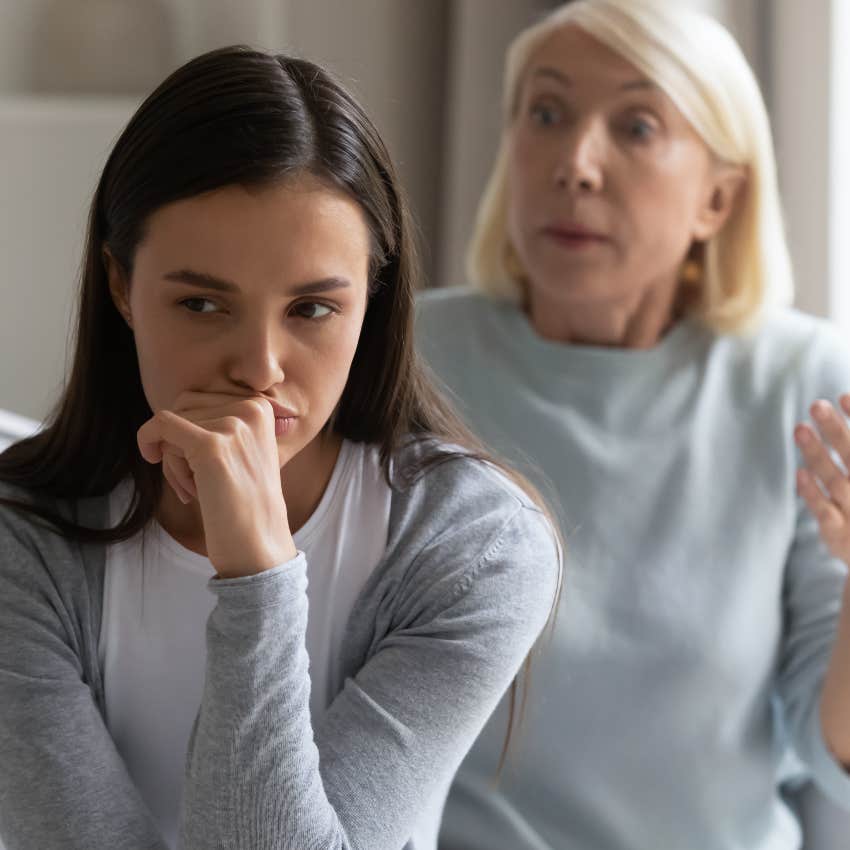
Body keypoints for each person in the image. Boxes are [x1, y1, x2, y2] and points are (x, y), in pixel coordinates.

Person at [0, 47, 561, 850]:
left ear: (371, 297)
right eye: (200, 303)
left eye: (311, 309)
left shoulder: (476, 550)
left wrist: (258, 570)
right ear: (122, 286)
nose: (259, 367)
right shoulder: (20, 541)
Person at [415, 1, 850, 847]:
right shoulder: (413, 355)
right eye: (546, 114)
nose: (575, 163)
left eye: (638, 126)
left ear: (718, 199)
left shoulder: (804, 383)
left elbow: (829, 747)